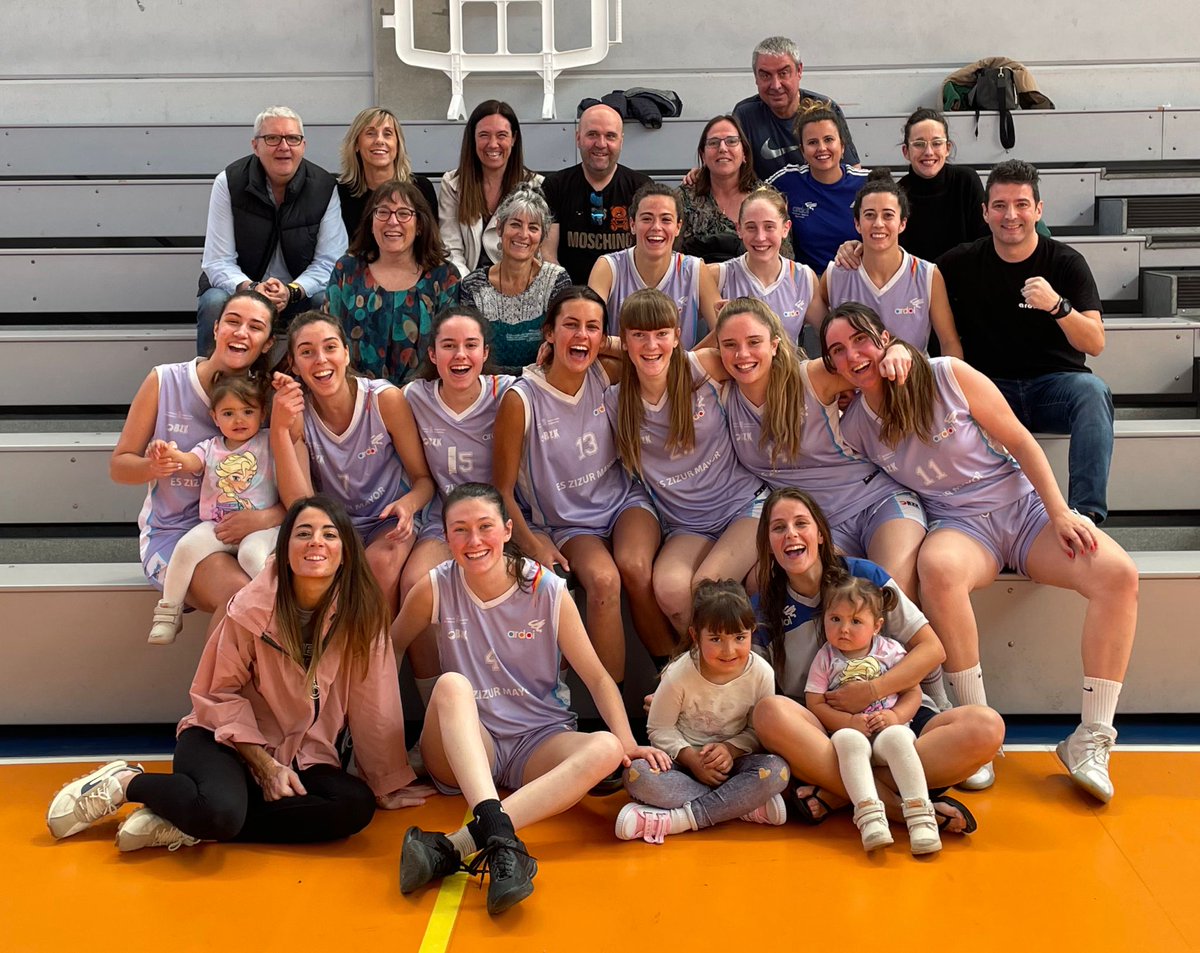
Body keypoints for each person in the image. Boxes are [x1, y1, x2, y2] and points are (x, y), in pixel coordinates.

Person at [820, 302, 1138, 800]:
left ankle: (1091, 738)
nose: (853, 355)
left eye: (861, 340)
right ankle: (974, 730)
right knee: (939, 566)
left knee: (1118, 574)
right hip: (961, 525)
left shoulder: (948, 375)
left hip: (1024, 511)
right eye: (837, 350)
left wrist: (1060, 511)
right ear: (832, 366)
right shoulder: (856, 425)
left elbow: (1021, 441)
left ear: (884, 339)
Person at [46, 496, 428, 853]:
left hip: (303, 755)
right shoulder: (250, 608)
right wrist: (264, 765)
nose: (317, 543)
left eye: (330, 534)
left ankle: (186, 818)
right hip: (222, 739)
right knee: (223, 813)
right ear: (286, 549)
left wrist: (385, 781)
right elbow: (215, 696)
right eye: (304, 533)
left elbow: (373, 701)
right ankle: (126, 783)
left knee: (354, 807)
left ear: (345, 553)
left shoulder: (362, 615)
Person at [392, 483, 670, 915]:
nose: (474, 540)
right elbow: (386, 653)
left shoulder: (547, 589)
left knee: (608, 747)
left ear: (507, 531)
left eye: (485, 527)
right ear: (446, 538)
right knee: (451, 686)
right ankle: (496, 836)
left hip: (536, 741)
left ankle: (459, 845)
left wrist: (628, 741)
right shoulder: (434, 586)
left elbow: (596, 676)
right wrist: (381, 760)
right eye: (460, 530)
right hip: (469, 746)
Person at [752, 487, 1003, 831]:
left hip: (895, 716)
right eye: (778, 528)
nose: (791, 534)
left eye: (801, 523)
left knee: (987, 727)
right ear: (767, 543)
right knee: (769, 712)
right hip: (825, 733)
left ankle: (840, 793)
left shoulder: (865, 577)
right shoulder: (764, 608)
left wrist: (872, 691)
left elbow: (932, 649)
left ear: (821, 534)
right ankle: (902, 807)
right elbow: (747, 686)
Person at [492, 286, 674, 680]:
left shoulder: (604, 372)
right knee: (605, 581)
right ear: (548, 333)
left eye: (593, 327)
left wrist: (605, 342)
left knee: (635, 566)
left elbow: (652, 355)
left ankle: (670, 675)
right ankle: (614, 719)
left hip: (624, 502)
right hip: (570, 523)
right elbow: (501, 490)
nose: (582, 336)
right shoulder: (521, 399)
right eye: (570, 325)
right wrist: (533, 541)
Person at [715, 297, 928, 600]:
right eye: (730, 344)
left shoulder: (810, 377)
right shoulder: (722, 391)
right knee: (764, 583)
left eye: (753, 341)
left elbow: (875, 364)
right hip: (820, 525)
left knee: (889, 594)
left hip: (877, 500)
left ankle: (920, 648)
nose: (743, 354)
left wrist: (897, 347)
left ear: (775, 344)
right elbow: (666, 361)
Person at [938, 159, 1113, 524]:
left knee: (1092, 391)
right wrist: (857, 252)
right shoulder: (960, 262)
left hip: (1054, 388)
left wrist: (1058, 306)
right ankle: (975, 519)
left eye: (1021, 204)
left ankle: (1087, 516)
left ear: (1038, 210)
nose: (1010, 215)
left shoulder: (1066, 262)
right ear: (985, 212)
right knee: (946, 399)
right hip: (991, 391)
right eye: (1000, 205)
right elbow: (908, 276)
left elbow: (1095, 342)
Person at [113, 290, 283, 615]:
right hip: (176, 535)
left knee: (282, 596)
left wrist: (264, 517)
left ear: (268, 343)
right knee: (242, 596)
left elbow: (298, 490)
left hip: (253, 531)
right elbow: (120, 467)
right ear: (216, 327)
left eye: (255, 326)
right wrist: (156, 466)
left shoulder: (269, 399)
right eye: (233, 321)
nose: (241, 332)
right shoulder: (164, 380)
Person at [609, 288, 765, 634]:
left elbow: (766, 358)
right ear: (624, 341)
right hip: (687, 524)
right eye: (639, 336)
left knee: (707, 588)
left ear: (677, 337)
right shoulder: (614, 399)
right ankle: (704, 678)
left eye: (661, 334)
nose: (651, 346)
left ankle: (742, 675)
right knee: (670, 589)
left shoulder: (703, 367)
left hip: (743, 507)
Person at [270, 312, 434, 616]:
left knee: (381, 565)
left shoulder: (385, 400)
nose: (320, 359)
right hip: (335, 524)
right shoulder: (297, 413)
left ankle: (378, 660)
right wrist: (280, 430)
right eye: (307, 352)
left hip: (388, 519)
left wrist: (408, 505)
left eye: (330, 347)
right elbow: (300, 504)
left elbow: (424, 480)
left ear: (346, 352)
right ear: (293, 364)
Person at [399, 305, 517, 703]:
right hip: (443, 521)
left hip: (502, 521)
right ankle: (435, 710)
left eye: (471, 345)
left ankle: (541, 708)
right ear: (432, 354)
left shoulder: (509, 392)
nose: (460, 355)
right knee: (414, 584)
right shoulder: (415, 396)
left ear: (485, 353)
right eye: (449, 346)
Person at [616, 579, 790, 844]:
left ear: (752, 631)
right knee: (637, 775)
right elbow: (658, 728)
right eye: (716, 639)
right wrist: (691, 759)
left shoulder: (761, 673)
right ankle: (740, 806)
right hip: (683, 765)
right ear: (696, 636)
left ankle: (680, 820)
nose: (729, 650)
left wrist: (731, 750)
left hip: (732, 767)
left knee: (777, 771)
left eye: (740, 637)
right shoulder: (678, 674)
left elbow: (759, 730)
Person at [807, 574, 941, 855]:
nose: (844, 629)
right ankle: (870, 818)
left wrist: (895, 716)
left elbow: (912, 692)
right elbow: (815, 703)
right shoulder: (825, 657)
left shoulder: (890, 652)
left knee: (898, 739)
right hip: (851, 734)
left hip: (887, 730)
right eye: (835, 619)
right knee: (847, 741)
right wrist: (848, 722)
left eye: (855, 622)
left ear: (877, 626)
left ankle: (921, 817)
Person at [197, 106, 346, 355]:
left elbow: (329, 261)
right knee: (214, 302)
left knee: (326, 300)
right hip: (244, 290)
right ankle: (213, 385)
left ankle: (320, 389)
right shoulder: (229, 182)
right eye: (272, 138)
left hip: (298, 293)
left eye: (292, 138)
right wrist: (252, 289)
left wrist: (292, 291)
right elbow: (218, 261)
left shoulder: (324, 186)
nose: (284, 146)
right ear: (255, 145)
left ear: (303, 145)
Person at [146, 373, 279, 645]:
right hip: (217, 525)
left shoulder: (268, 442)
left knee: (252, 556)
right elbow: (190, 462)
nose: (239, 419)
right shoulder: (210, 447)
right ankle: (168, 612)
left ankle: (282, 608)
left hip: (261, 528)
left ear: (262, 413)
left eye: (248, 411)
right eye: (228, 413)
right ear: (215, 418)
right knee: (186, 547)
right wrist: (170, 454)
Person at [326, 179, 460, 388]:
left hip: (423, 398)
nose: (393, 221)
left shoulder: (443, 276)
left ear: (419, 226)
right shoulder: (347, 271)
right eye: (383, 212)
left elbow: (450, 346)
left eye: (404, 213)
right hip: (355, 396)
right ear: (371, 223)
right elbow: (328, 336)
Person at [821, 169, 963, 357]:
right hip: (854, 384)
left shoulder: (927, 275)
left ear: (902, 223)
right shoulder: (835, 274)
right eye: (870, 215)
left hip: (912, 382)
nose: (878, 223)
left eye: (888, 215)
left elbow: (949, 342)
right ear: (857, 223)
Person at [588, 183, 718, 349]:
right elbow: (588, 328)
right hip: (622, 369)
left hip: (679, 373)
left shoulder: (694, 269)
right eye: (647, 219)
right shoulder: (608, 267)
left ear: (678, 227)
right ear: (632, 225)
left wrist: (688, 362)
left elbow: (725, 330)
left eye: (666, 219)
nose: (656, 227)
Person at [459, 183, 572, 372]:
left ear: (542, 237)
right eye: (515, 224)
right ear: (500, 229)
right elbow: (470, 351)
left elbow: (560, 348)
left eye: (533, 228)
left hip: (541, 385)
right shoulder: (473, 285)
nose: (523, 235)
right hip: (488, 386)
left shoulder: (556, 280)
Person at [542, 103, 651, 283]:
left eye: (610, 136)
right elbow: (548, 255)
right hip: (572, 296)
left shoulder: (641, 187)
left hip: (626, 296)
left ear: (621, 141)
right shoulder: (555, 186)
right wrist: (566, 296)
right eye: (592, 134)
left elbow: (649, 255)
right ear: (578, 138)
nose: (601, 144)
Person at [733, 36, 860, 181]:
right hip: (765, 200)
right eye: (765, 75)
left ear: (799, 71)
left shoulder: (825, 109)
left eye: (783, 74)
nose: (775, 85)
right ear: (756, 77)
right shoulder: (745, 115)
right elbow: (734, 176)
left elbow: (852, 172)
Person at [439, 100, 543, 277]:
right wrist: (469, 287)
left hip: (517, 284)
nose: (493, 144)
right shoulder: (452, 184)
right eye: (484, 135)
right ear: (473, 138)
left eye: (502, 135)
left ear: (514, 139)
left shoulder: (535, 185)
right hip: (465, 287)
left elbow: (537, 253)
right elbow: (451, 251)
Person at [766, 103, 869, 275]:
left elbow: (892, 233)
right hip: (806, 286)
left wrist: (865, 248)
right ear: (803, 151)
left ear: (842, 146)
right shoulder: (787, 180)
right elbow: (751, 200)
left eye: (828, 139)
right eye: (813, 142)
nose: (821, 148)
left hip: (857, 282)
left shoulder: (867, 183)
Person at [713, 187, 822, 344]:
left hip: (789, 368)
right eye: (751, 227)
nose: (760, 237)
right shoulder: (719, 275)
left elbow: (829, 335)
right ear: (739, 229)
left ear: (786, 228)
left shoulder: (803, 277)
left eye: (769, 226)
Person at [680, 115, 794, 264]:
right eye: (713, 143)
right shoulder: (684, 198)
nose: (722, 148)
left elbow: (785, 258)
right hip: (696, 283)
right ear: (703, 156)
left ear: (744, 153)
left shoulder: (768, 199)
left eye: (731, 141)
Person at [898, 108, 989, 262]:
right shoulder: (897, 195)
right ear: (906, 151)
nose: (928, 152)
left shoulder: (966, 181)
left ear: (947, 148)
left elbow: (984, 242)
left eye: (937, 143)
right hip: (917, 282)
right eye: (919, 144)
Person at [336, 106, 439, 240]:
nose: (379, 140)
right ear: (356, 144)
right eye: (370, 133)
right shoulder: (340, 193)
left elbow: (432, 244)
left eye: (388, 134)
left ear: (397, 145)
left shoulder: (421, 189)